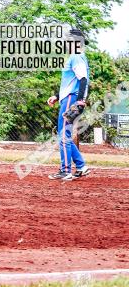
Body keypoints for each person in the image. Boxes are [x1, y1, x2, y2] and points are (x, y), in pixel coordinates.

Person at [47, 28, 91, 181]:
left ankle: (66, 171)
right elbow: (72, 82)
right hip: (69, 98)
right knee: (64, 134)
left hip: (71, 99)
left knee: (63, 135)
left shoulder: (76, 56)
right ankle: (81, 166)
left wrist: (79, 100)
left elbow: (83, 80)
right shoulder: (78, 57)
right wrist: (57, 96)